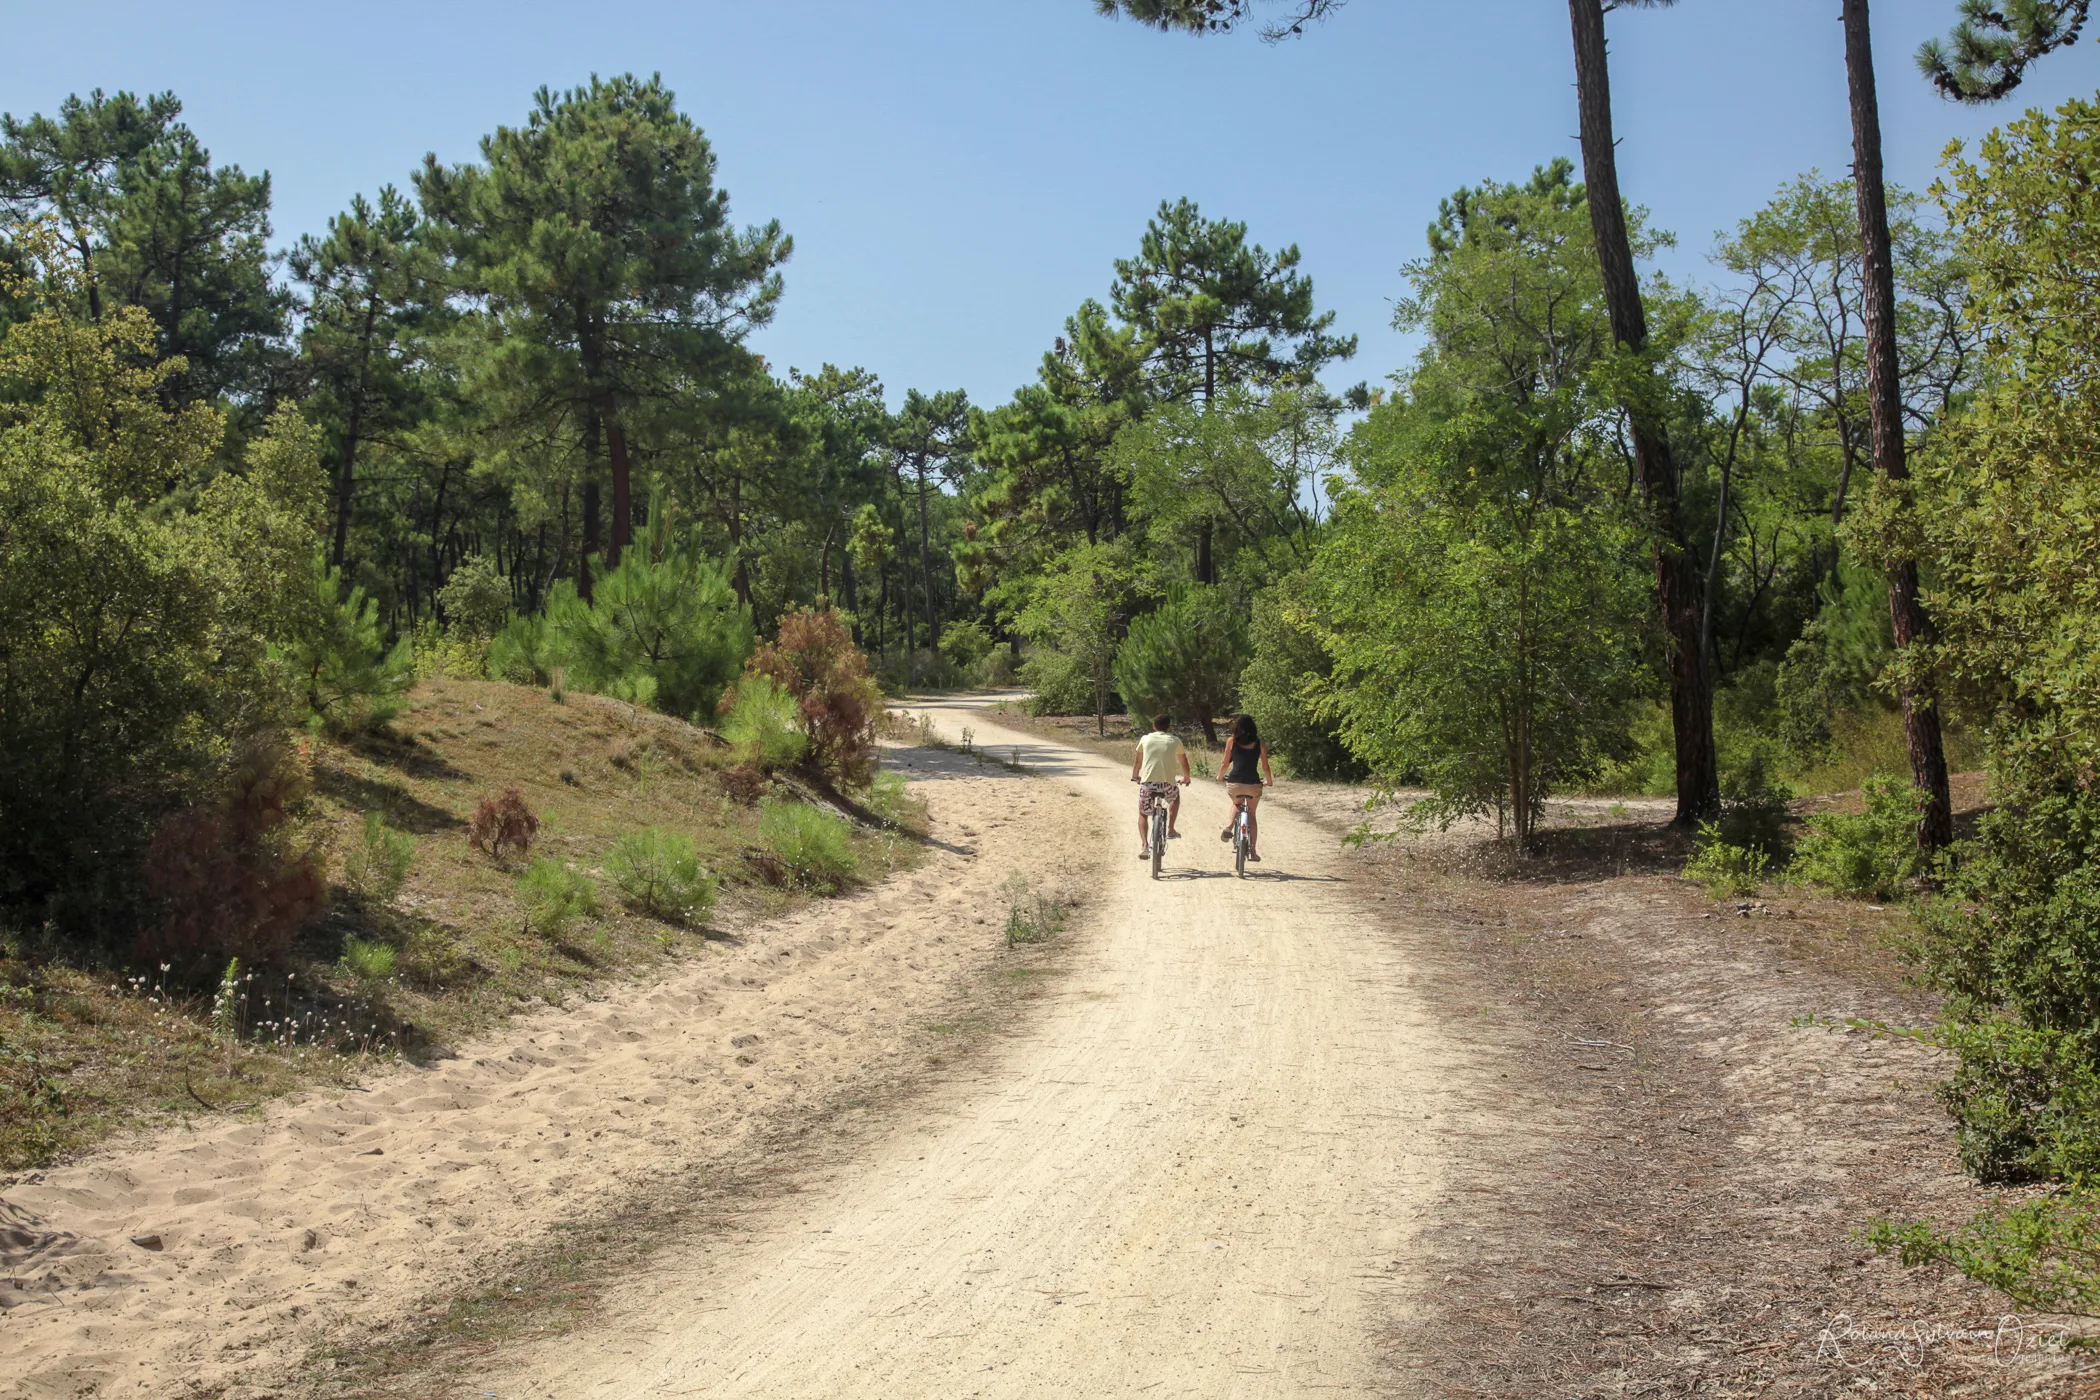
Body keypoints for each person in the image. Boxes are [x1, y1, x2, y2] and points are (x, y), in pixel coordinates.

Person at [1129, 713, 1190, 859]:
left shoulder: (1145, 739)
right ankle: (1170, 829)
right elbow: (1184, 762)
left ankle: (1144, 845)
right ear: (1169, 727)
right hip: (1167, 784)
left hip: (1148, 784)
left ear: (1153, 726)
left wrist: (1135, 776)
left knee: (1143, 813)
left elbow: (1138, 762)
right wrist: (1186, 778)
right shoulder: (1175, 740)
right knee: (1175, 798)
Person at [1218, 713, 1274, 862]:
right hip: (1254, 785)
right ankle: (1253, 852)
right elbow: (1265, 766)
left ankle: (1229, 825)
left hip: (1235, 783)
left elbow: (1225, 763)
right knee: (1252, 814)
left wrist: (1220, 777)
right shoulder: (1259, 743)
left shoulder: (1231, 741)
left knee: (1236, 803)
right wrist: (1269, 781)